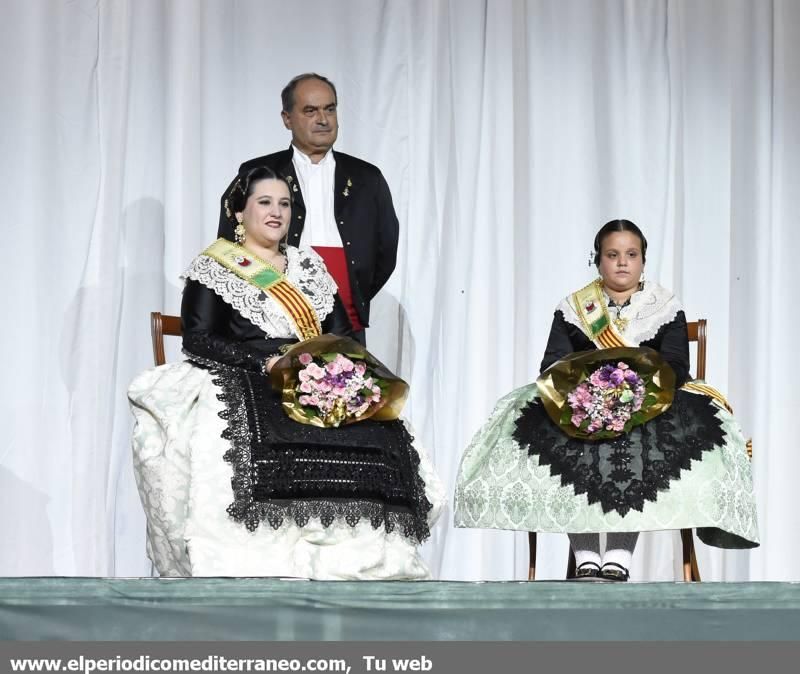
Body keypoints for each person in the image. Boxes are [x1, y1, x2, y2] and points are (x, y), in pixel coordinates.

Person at [130, 166, 443, 579]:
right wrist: (264, 363)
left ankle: (357, 557)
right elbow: (199, 339)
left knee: (377, 424)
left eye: (285, 204)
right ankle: (263, 559)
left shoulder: (307, 266)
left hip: (314, 368)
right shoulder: (216, 265)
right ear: (239, 212)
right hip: (247, 368)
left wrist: (343, 370)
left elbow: (339, 333)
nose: (276, 212)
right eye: (264, 202)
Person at [454, 219, 758, 581]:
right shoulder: (574, 307)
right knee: (553, 439)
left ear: (644, 260)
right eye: (612, 255)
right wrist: (592, 391)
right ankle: (585, 555)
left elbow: (677, 365)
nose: (622, 263)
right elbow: (553, 364)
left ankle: (618, 553)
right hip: (584, 399)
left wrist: (632, 392)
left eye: (631, 255)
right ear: (598, 260)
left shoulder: (665, 305)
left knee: (631, 448)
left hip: (650, 402)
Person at [218, 73, 399, 345]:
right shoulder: (258, 172)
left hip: (346, 322)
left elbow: (386, 251)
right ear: (287, 118)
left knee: (346, 387)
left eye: (330, 109)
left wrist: (355, 292)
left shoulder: (367, 177)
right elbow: (231, 244)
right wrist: (271, 293)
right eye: (310, 111)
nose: (323, 119)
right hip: (273, 317)